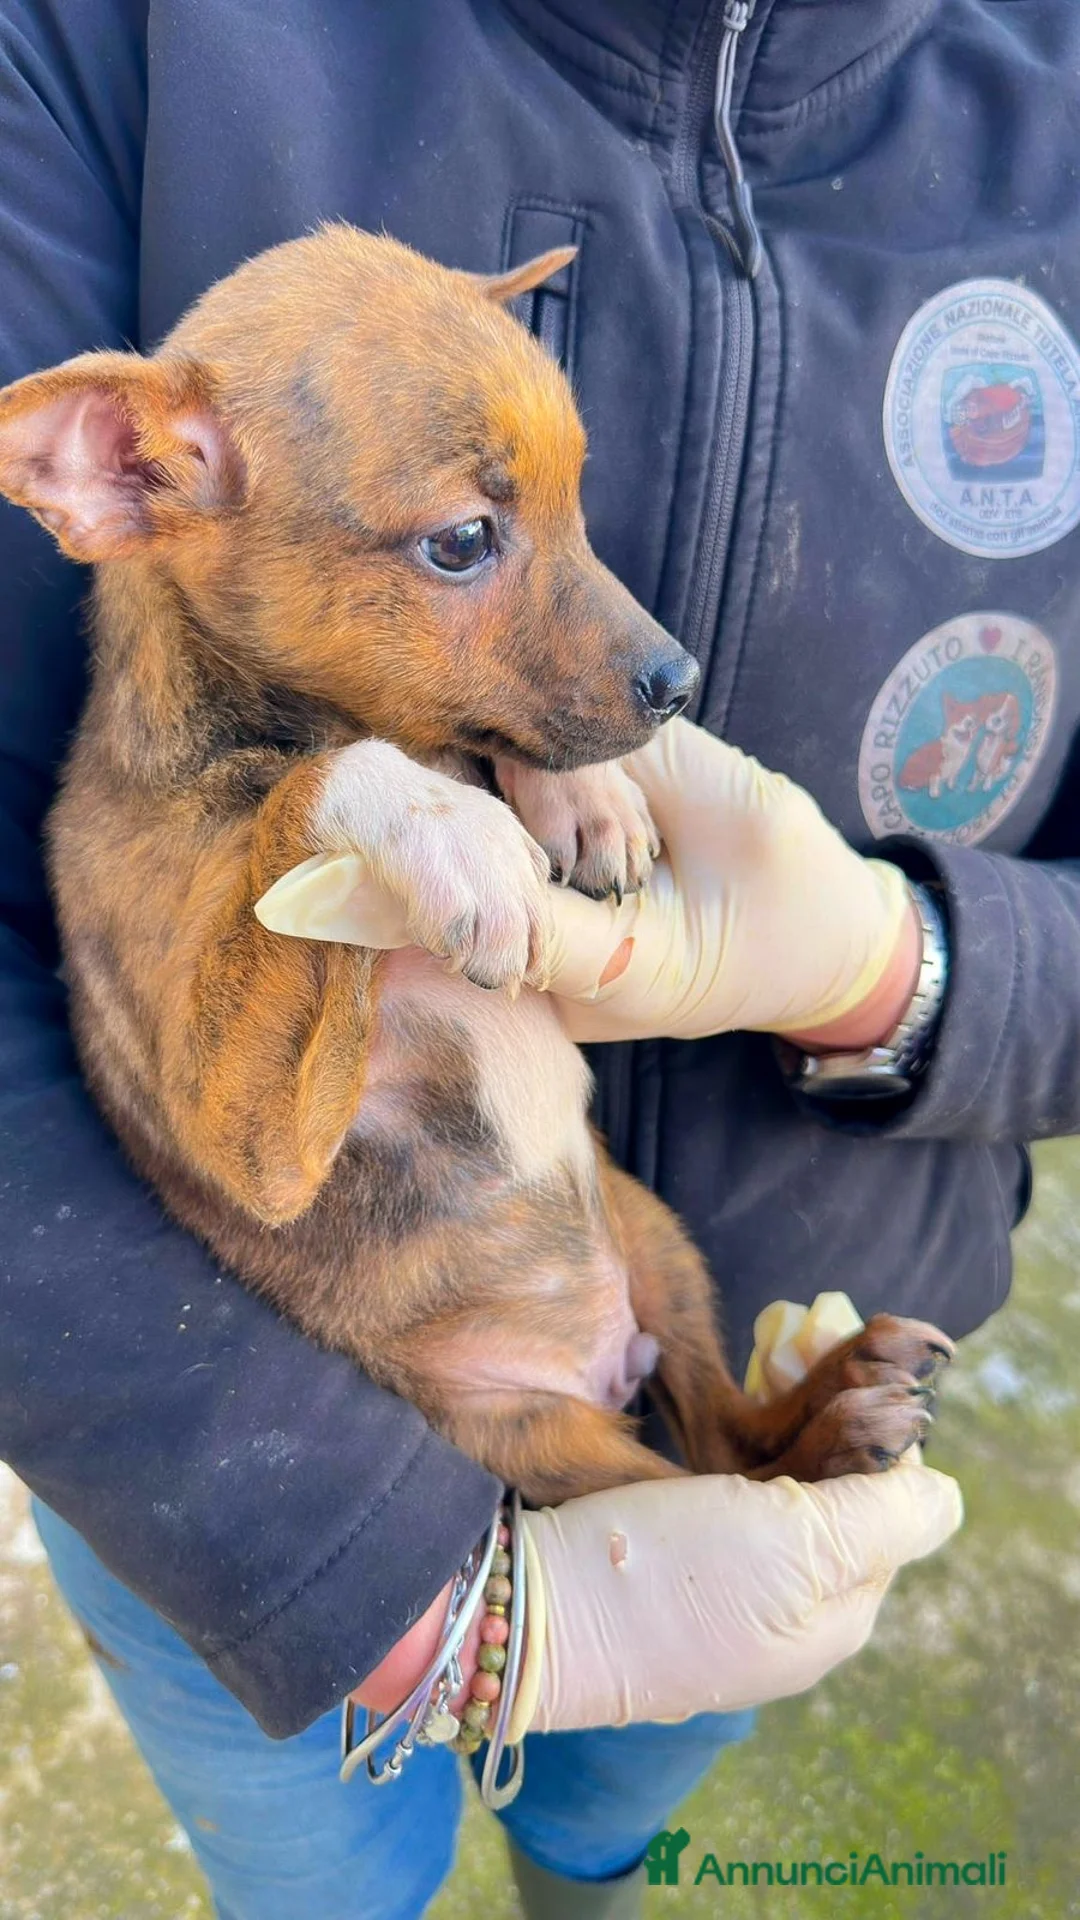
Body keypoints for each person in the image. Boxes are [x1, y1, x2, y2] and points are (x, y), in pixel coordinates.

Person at [0, 0, 1075, 1914]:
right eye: (468, 542)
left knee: (612, 1824)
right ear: (122, 468)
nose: (641, 653)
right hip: (258, 1479)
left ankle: (597, 1853)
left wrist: (895, 964)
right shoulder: (100, 50)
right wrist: (442, 1623)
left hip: (674, 1266)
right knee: (331, 1875)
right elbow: (255, 1131)